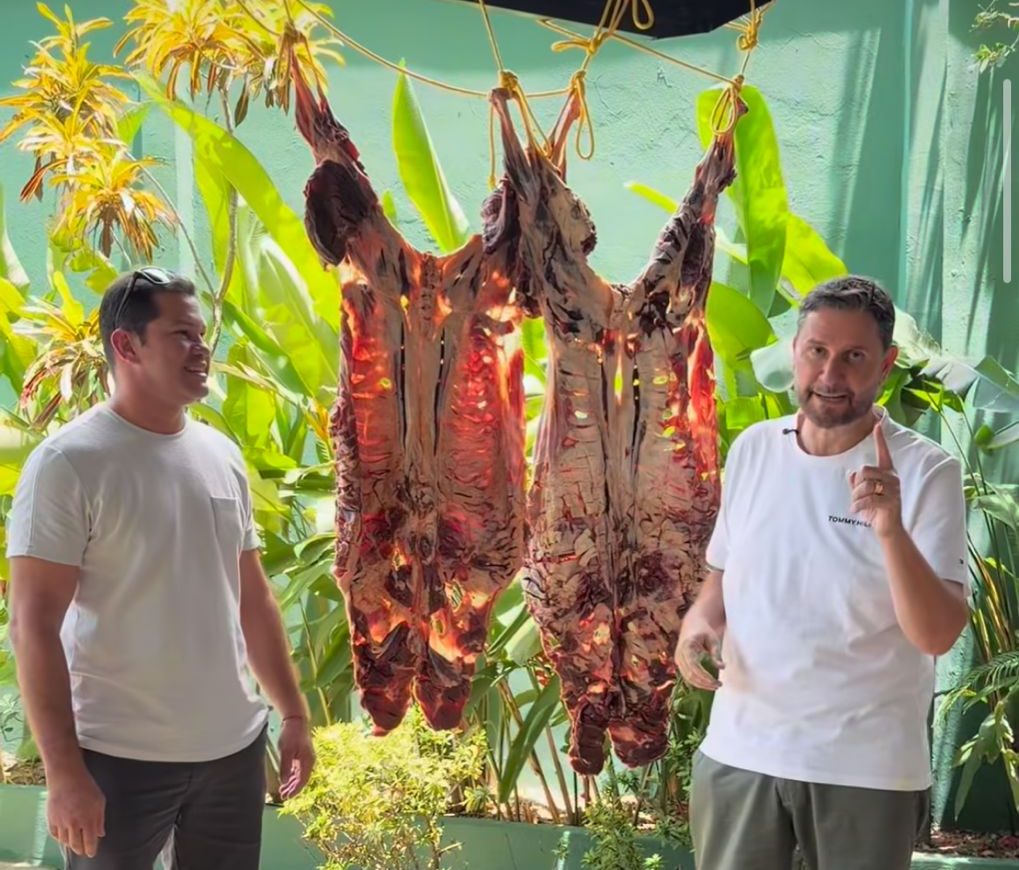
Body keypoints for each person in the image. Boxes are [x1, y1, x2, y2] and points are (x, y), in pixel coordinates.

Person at [7, 267, 316, 870]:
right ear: (126, 345)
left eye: (201, 335)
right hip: (116, 758)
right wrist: (64, 773)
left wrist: (293, 713)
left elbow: (253, 599)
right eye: (181, 335)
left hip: (231, 752)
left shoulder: (221, 456)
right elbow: (32, 625)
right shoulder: (68, 463)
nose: (201, 349)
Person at [675, 276, 970, 870]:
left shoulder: (926, 472)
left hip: (865, 769)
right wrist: (697, 624)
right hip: (740, 754)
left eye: (854, 356)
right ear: (795, 352)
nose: (830, 374)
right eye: (817, 351)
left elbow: (938, 634)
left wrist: (890, 529)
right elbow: (722, 574)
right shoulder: (754, 449)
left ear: (885, 364)